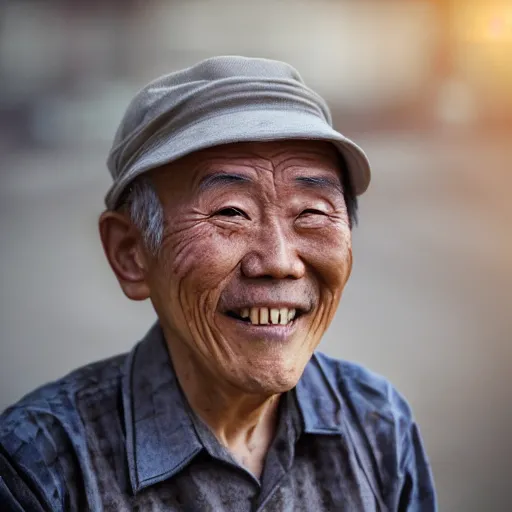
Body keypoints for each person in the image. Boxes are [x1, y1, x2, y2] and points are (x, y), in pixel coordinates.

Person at [0, 56, 436, 511]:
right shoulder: (40, 469)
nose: (280, 262)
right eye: (230, 212)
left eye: (312, 212)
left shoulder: (378, 422)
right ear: (131, 253)